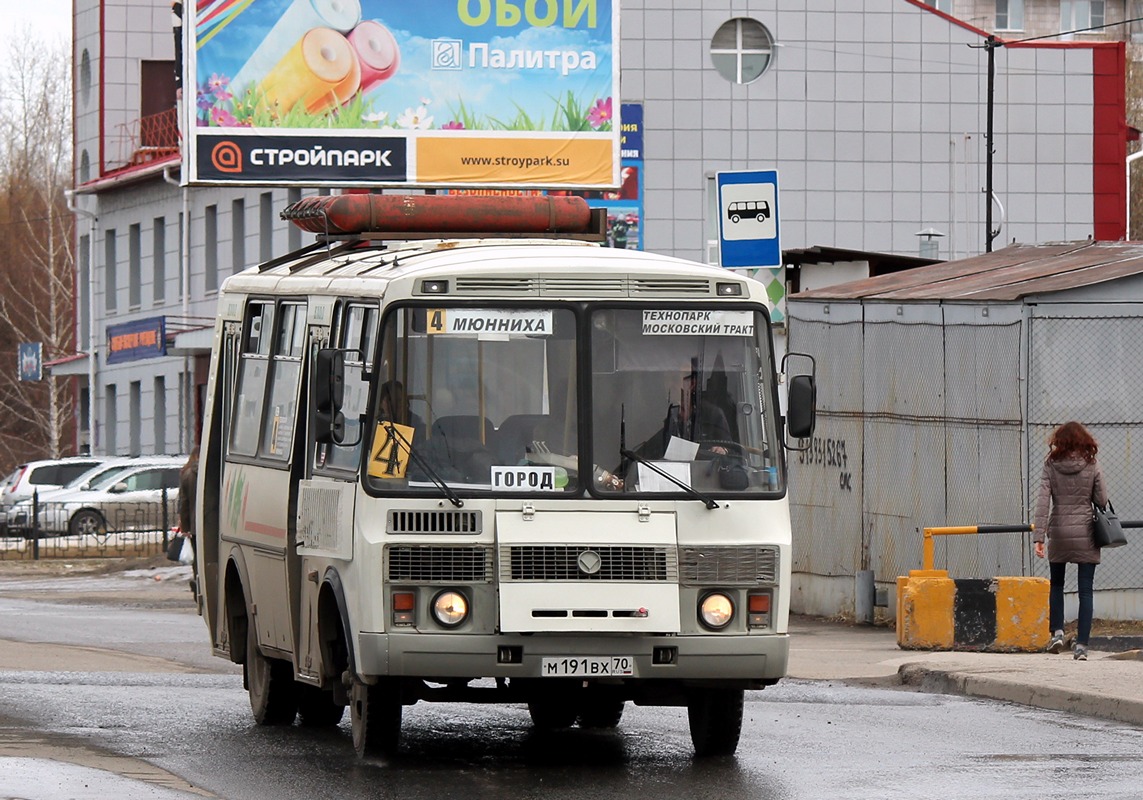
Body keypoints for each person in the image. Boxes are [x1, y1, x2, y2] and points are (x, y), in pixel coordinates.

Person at [1032, 421, 1107, 661]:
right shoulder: (1092, 463)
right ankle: (1082, 646)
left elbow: (1044, 502)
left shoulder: (1051, 465)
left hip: (1060, 531)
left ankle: (1057, 633)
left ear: (1059, 441)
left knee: (1056, 585)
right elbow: (1102, 500)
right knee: (1086, 590)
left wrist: (1039, 537)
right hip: (1086, 531)